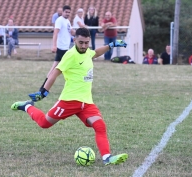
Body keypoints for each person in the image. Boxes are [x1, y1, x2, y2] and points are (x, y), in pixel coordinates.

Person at [11, 28, 128, 165]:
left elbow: (95, 53)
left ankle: (107, 157)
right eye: (81, 43)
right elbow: (55, 72)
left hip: (86, 102)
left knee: (100, 126)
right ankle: (27, 106)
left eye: (86, 43)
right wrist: (43, 91)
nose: (84, 46)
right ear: (74, 40)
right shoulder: (70, 55)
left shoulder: (87, 51)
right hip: (69, 101)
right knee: (44, 123)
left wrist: (111, 45)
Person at [40, 5, 75, 90]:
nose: (67, 14)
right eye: (66, 12)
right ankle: (72, 86)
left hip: (65, 48)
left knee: (54, 68)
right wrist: (54, 45)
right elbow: (55, 33)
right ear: (62, 12)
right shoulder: (59, 20)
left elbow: (70, 33)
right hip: (61, 48)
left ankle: (43, 88)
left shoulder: (67, 21)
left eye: (69, 12)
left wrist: (74, 34)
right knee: (68, 67)